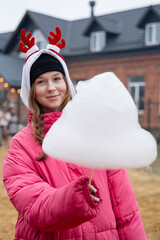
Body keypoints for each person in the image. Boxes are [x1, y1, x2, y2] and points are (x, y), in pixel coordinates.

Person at [3, 27, 147, 240]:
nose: (51, 87)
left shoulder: (95, 133)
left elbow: (126, 210)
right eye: (41, 82)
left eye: (56, 78)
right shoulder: (21, 146)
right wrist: (75, 198)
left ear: (66, 82)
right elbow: (36, 208)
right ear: (30, 90)